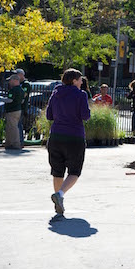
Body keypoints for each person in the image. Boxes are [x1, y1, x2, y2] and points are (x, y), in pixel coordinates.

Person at [46, 68, 91, 220]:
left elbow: (49, 115)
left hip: (56, 136)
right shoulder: (81, 95)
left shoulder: (56, 93)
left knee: (57, 171)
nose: (81, 82)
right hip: (74, 137)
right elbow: (85, 116)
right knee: (74, 171)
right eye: (80, 80)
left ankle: (59, 203)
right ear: (74, 80)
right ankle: (59, 194)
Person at [3, 75, 24, 150]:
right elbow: (22, 101)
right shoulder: (21, 90)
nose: (9, 82)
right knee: (10, 127)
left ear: (15, 80)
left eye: (10, 80)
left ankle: (15, 144)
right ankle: (9, 143)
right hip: (18, 110)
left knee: (13, 127)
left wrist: (2, 99)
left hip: (12, 111)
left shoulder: (13, 90)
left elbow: (10, 100)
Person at [15, 68, 31, 146]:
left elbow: (24, 95)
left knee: (19, 124)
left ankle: (21, 141)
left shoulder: (26, 84)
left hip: (22, 107)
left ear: (21, 75)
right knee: (16, 124)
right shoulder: (18, 83)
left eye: (17, 74)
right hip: (17, 107)